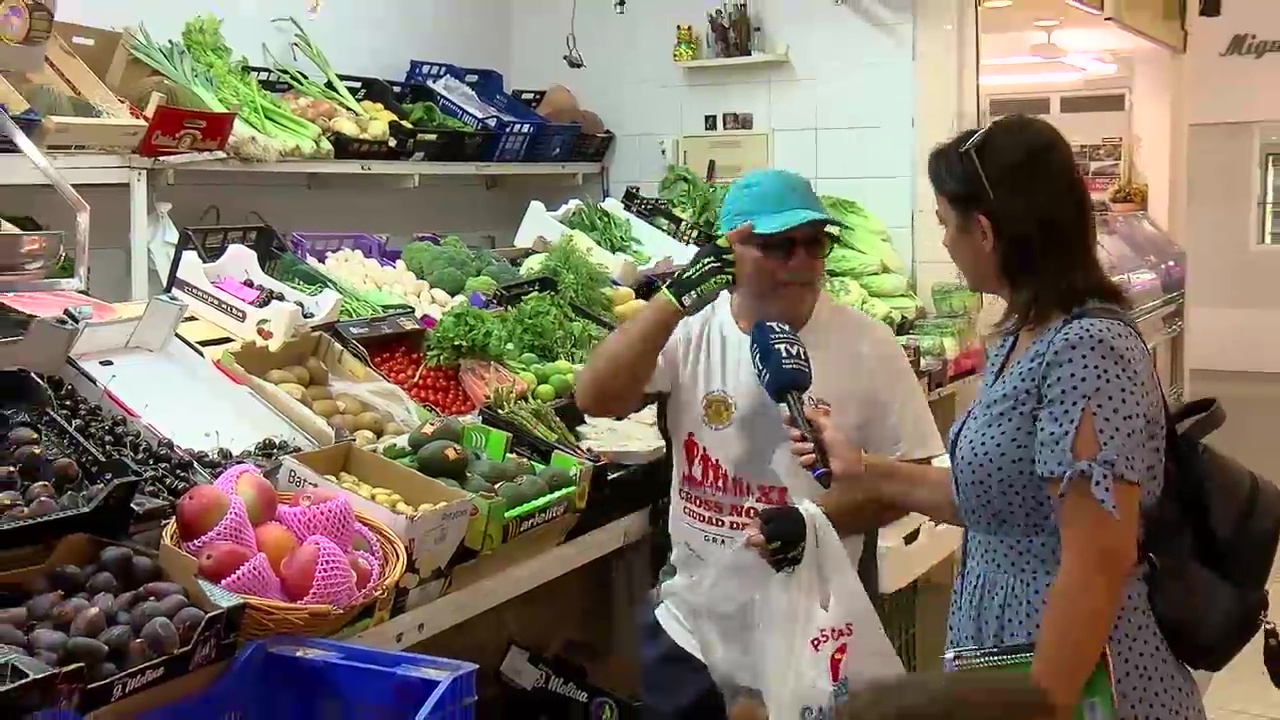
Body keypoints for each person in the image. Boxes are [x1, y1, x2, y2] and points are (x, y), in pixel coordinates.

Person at [780, 115, 1207, 719]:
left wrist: (1038, 703)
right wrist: (860, 465)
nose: (944, 244)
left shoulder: (1089, 349)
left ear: (982, 230)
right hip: (1005, 648)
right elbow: (990, 495)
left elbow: (1095, 562)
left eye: (944, 226)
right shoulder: (1017, 335)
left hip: (1081, 676)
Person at [575, 169, 943, 720]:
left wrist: (815, 521)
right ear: (728, 255)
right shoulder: (693, 331)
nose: (800, 262)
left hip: (809, 635)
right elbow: (595, 396)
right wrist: (672, 300)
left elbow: (913, 478)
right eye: (777, 246)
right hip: (693, 629)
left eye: (814, 244)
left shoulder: (870, 347)